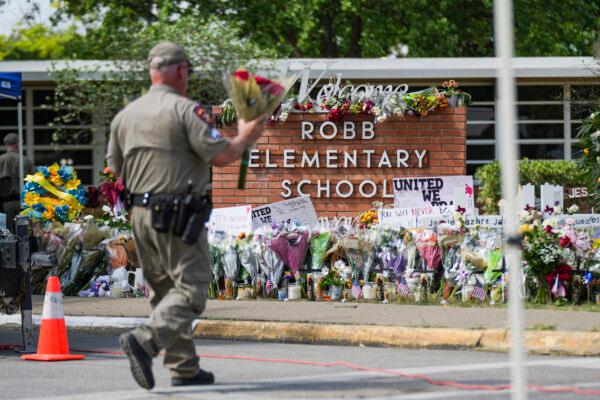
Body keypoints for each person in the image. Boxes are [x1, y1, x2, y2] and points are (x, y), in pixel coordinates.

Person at [107, 41, 266, 390]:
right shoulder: (186, 111)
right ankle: (145, 340)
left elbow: (116, 169)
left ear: (152, 72)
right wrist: (245, 134)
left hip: (140, 215)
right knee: (191, 288)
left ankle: (183, 367)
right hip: (178, 215)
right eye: (188, 72)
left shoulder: (125, 116)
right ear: (180, 71)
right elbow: (222, 156)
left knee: (164, 292)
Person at [0, 133, 34, 232]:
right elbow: (36, 184)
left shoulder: (1, 160)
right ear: (16, 144)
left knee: (7, 235)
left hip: (5, 205)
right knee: (23, 235)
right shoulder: (26, 161)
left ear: (6, 145)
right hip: (23, 205)